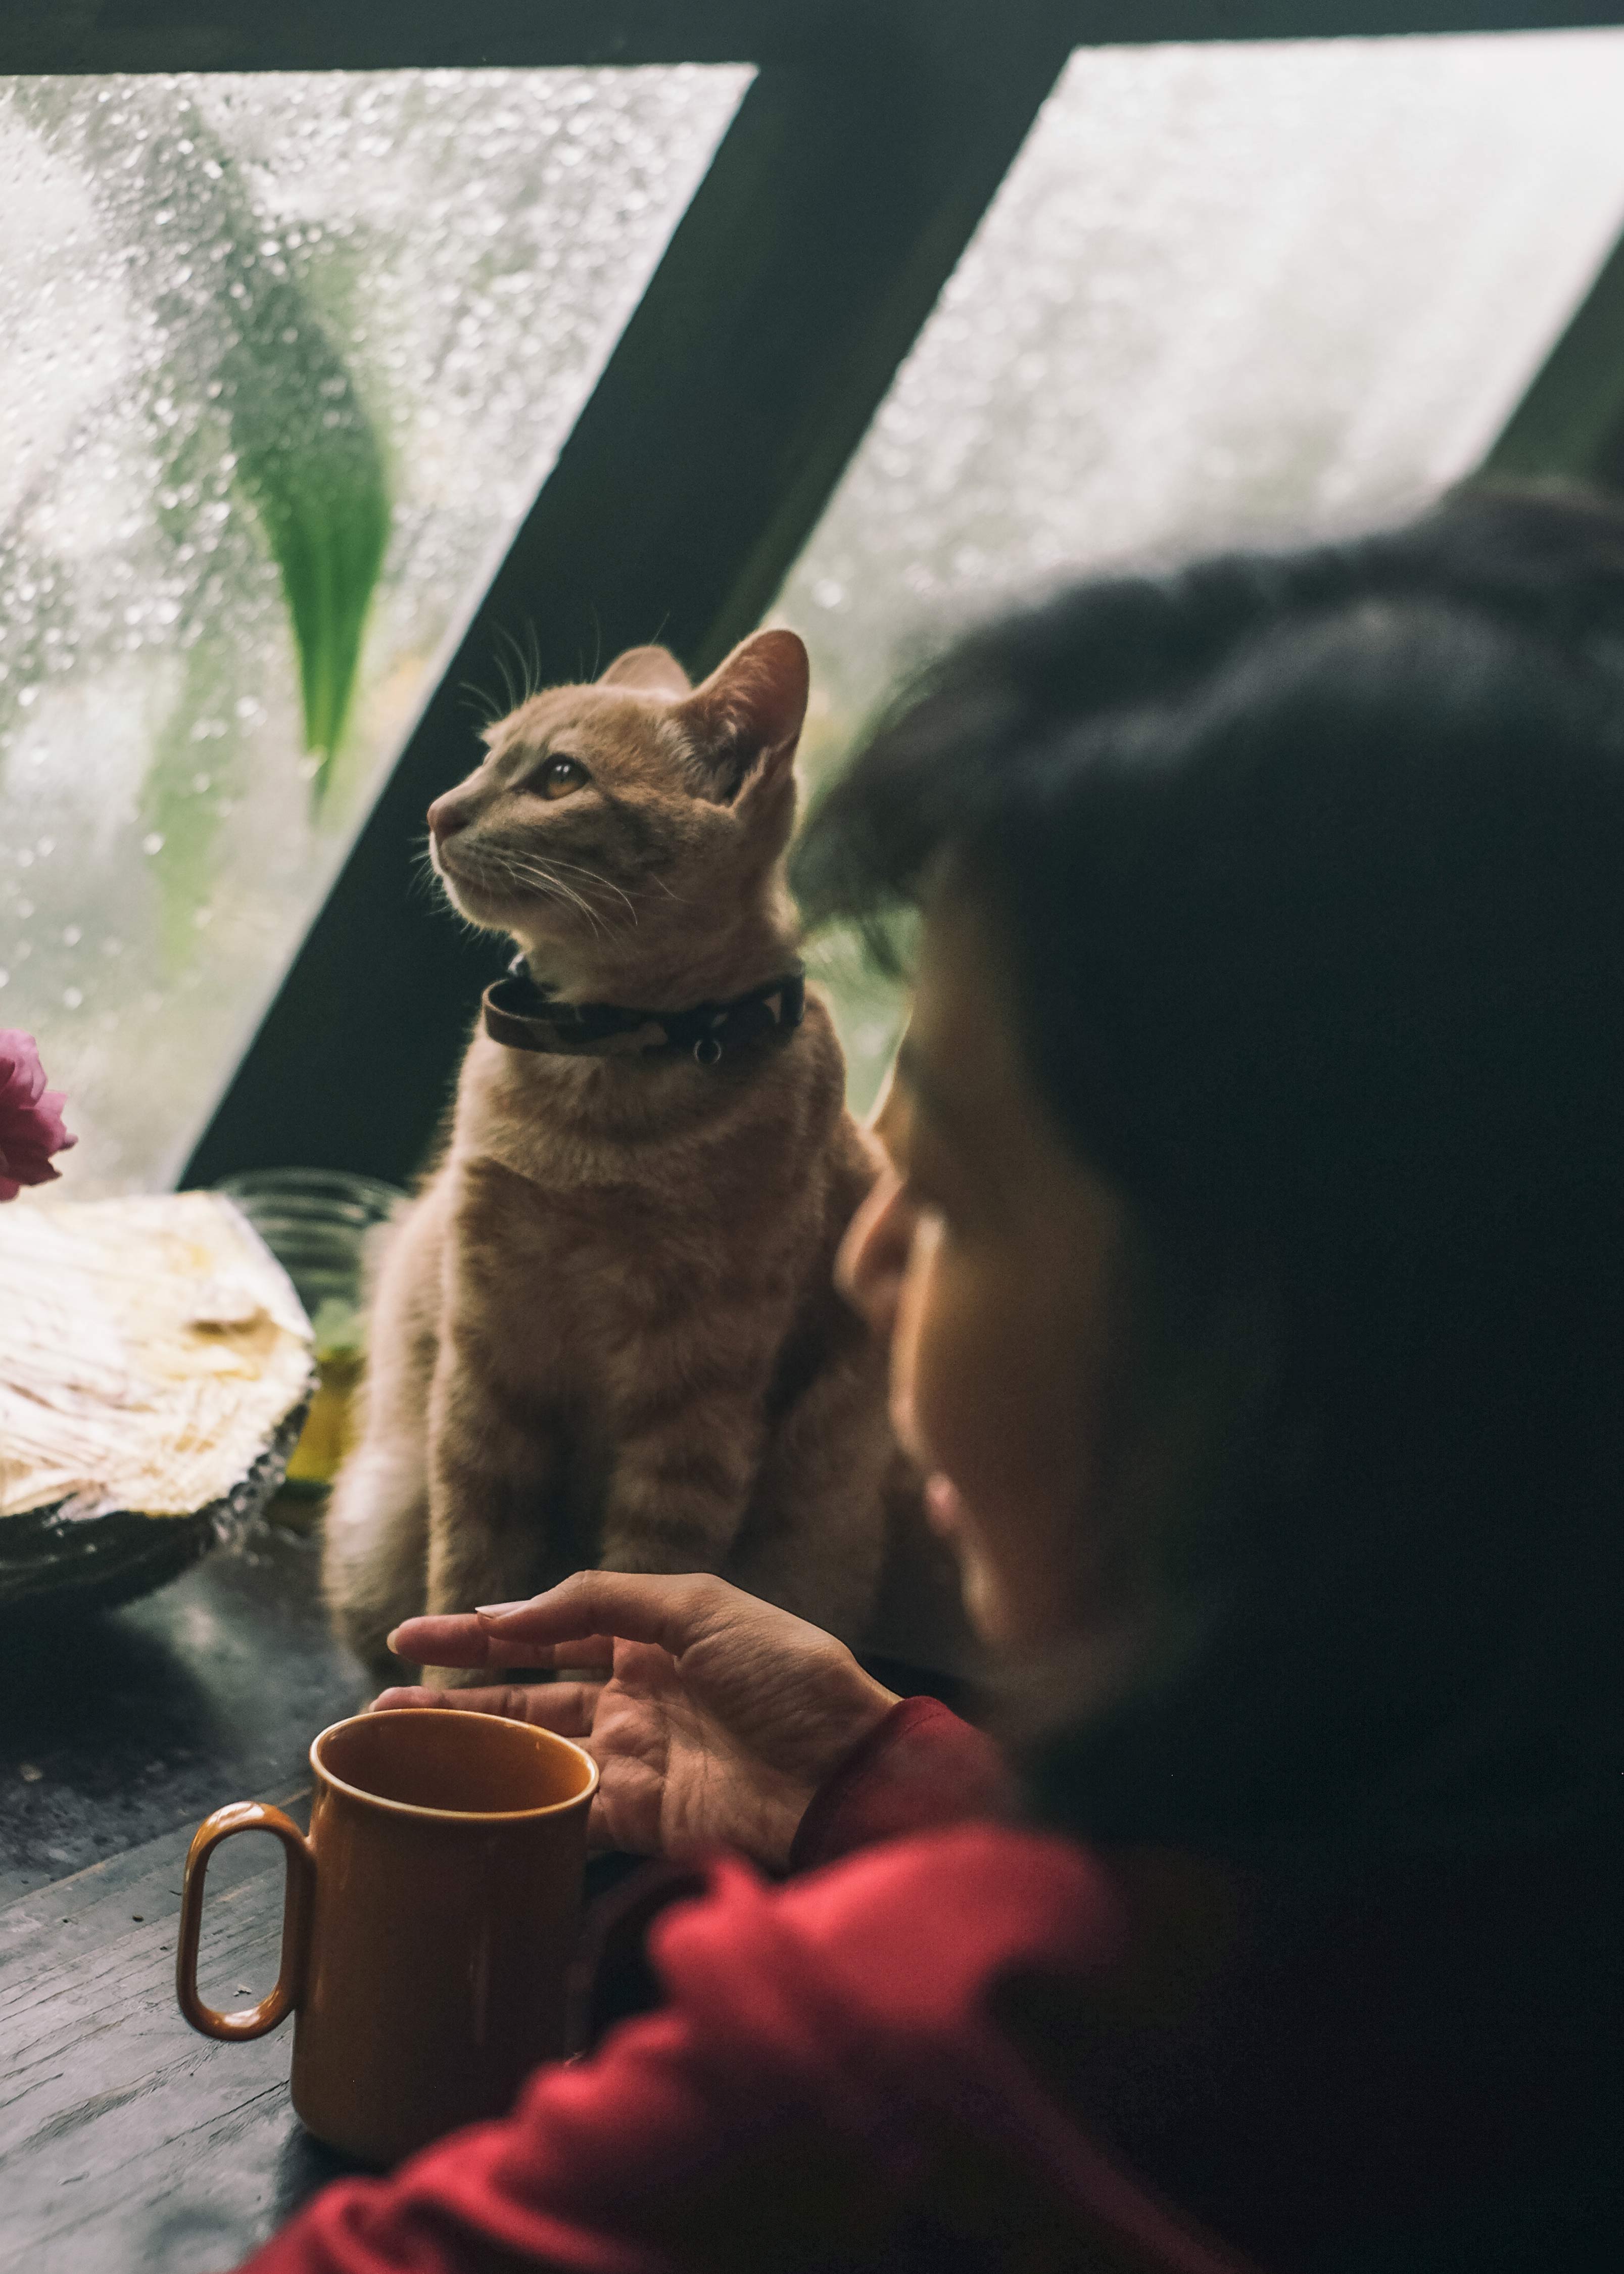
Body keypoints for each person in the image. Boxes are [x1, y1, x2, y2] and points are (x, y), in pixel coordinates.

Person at [241, 485, 1622, 2273]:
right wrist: (889, 1786)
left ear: (1289, 1316)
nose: (870, 1263)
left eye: (951, 1188)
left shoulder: (880, 2098)